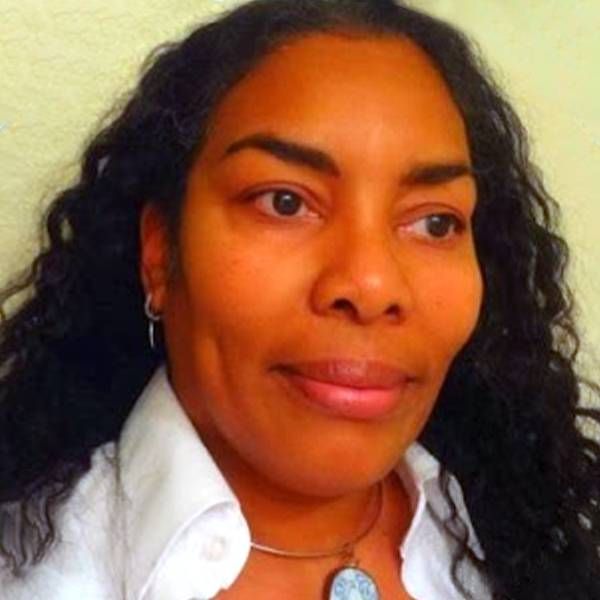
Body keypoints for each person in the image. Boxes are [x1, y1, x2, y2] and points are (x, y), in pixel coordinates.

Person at [1, 0, 599, 598]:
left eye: (436, 223)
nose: (372, 286)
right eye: (284, 202)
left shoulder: (532, 537)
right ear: (160, 253)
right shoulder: (31, 573)